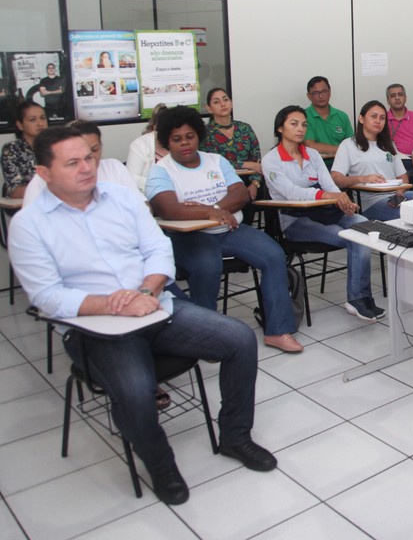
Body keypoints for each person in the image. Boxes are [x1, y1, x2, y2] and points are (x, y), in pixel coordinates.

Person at [8, 126, 276, 506]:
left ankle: (235, 436)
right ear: (44, 173)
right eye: (72, 163)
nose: (87, 168)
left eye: (89, 157)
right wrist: (114, 304)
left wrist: (148, 291)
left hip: (156, 307)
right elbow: (47, 296)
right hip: (97, 329)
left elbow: (157, 250)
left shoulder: (120, 198)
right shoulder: (30, 225)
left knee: (239, 338)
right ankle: (161, 465)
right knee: (135, 390)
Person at [145, 106, 303, 353]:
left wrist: (214, 208)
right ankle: (204, 337)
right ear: (167, 141)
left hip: (229, 229)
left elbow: (240, 193)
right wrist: (211, 212)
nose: (185, 143)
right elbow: (168, 208)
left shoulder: (216, 161)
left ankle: (278, 330)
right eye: (177, 139)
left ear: (198, 135)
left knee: (274, 255)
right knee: (207, 266)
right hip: (189, 237)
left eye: (190, 136)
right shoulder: (161, 170)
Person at [261, 105, 383, 322]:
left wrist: (342, 200)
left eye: (304, 125)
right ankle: (357, 298)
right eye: (294, 124)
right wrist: (328, 196)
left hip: (325, 213)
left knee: (364, 225)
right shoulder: (271, 160)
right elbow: (292, 193)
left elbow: (330, 185)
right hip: (294, 221)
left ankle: (361, 297)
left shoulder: (313, 154)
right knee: (348, 236)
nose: (300, 129)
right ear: (280, 128)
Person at [331, 100, 413, 222]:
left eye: (382, 118)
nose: (378, 121)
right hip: (371, 202)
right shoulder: (348, 145)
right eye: (373, 116)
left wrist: (399, 193)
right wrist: (362, 178)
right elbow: (336, 179)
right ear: (361, 119)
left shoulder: (389, 144)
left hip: (395, 196)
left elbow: (403, 177)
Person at [23, 120, 139, 206]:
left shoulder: (114, 167)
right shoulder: (43, 180)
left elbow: (141, 206)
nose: (90, 159)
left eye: (94, 150)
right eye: (75, 160)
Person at [201, 87, 263, 201]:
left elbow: (257, 161)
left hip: (249, 181)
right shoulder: (205, 133)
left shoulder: (244, 128)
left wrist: (254, 183)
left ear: (231, 103)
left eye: (225, 99)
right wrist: (245, 164)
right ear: (209, 108)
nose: (222, 104)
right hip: (219, 183)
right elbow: (212, 164)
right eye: (216, 102)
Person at [303, 76, 353, 169]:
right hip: (313, 167)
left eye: (324, 91)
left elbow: (351, 146)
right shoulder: (303, 116)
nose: (321, 96)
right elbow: (311, 146)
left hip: (342, 165)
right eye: (315, 93)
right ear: (309, 96)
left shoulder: (342, 116)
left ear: (330, 92)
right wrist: (342, 149)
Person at [2, 100, 47, 198]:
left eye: (43, 118)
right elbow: (14, 191)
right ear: (20, 125)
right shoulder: (11, 149)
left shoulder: (55, 146)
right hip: (25, 204)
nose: (40, 123)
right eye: (32, 120)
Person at [126, 103, 170, 195]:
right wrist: (162, 184)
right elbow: (131, 178)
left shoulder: (180, 144)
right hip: (148, 197)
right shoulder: (139, 145)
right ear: (155, 128)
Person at [384, 83, 413, 175]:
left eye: (400, 94)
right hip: (391, 161)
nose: (397, 98)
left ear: (405, 98)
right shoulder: (382, 118)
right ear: (388, 100)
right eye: (393, 96)